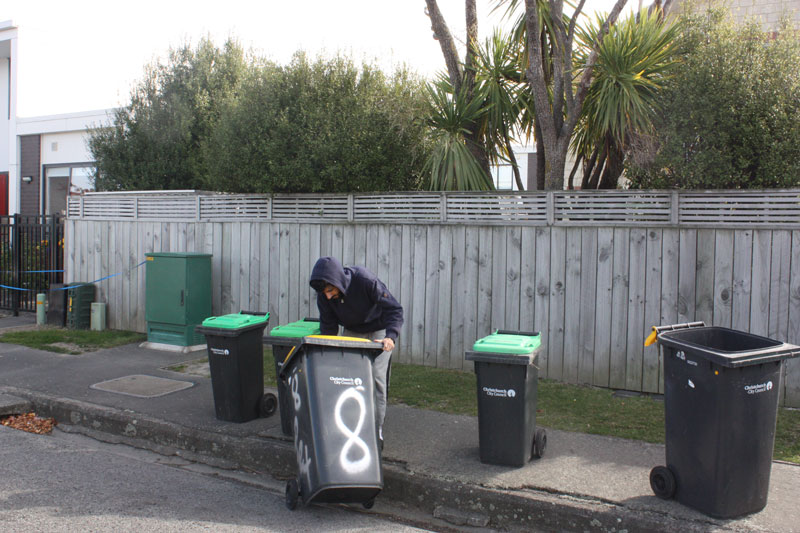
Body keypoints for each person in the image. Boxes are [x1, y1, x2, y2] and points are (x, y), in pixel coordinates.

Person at [309, 256, 403, 448]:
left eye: (330, 290)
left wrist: (390, 337)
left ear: (338, 282)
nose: (328, 296)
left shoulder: (365, 281)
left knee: (376, 377)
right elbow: (328, 326)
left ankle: (376, 430)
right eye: (324, 292)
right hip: (353, 331)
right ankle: (352, 425)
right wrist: (327, 351)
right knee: (347, 378)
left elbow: (394, 310)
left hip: (379, 331)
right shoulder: (324, 296)